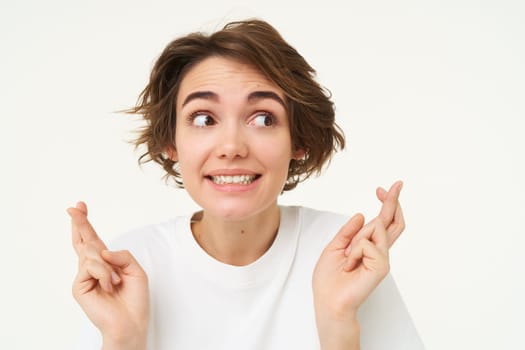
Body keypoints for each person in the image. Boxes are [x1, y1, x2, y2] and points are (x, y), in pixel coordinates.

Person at [68, 19, 424, 350]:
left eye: (263, 118)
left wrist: (337, 324)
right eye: (204, 118)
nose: (231, 147)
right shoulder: (132, 263)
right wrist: (123, 339)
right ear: (171, 142)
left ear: (298, 140)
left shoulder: (345, 254)